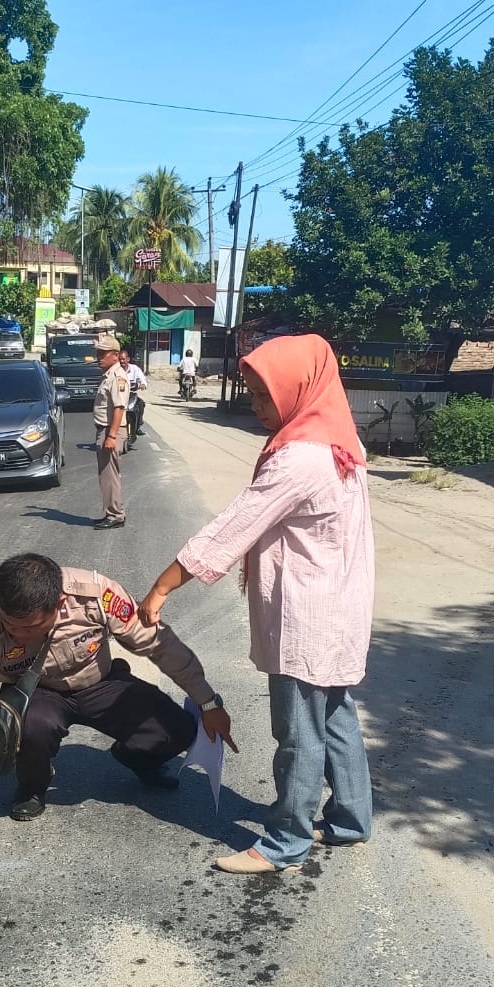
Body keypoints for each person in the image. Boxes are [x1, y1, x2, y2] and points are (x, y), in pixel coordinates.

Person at [139, 333, 375, 875]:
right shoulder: (343, 442)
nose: (256, 404)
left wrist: (162, 587)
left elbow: (230, 531)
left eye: (265, 394)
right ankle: (350, 820)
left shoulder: (299, 459)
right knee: (334, 716)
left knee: (298, 733)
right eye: (253, 392)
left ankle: (287, 842)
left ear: (299, 388)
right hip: (338, 611)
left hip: (306, 619)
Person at [0, 553, 234, 841]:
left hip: (99, 683)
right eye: (9, 623)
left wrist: (207, 703)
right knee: (33, 726)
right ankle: (32, 786)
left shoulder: (94, 595)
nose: (16, 634)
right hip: (37, 694)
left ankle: (138, 759)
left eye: (28, 627)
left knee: (178, 729)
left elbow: (159, 644)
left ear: (60, 603)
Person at [92, 332, 130, 530]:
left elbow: (119, 408)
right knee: (107, 475)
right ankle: (112, 512)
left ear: (115, 355)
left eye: (103, 354)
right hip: (105, 430)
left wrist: (112, 436)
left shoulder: (117, 377)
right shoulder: (109, 375)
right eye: (98, 353)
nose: (99, 358)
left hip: (110, 430)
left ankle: (115, 515)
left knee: (110, 475)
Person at [120, 348, 148, 449]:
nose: (122, 361)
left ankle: (138, 425)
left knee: (141, 404)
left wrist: (142, 385)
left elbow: (143, 381)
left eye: (123, 359)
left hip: (132, 398)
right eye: (120, 359)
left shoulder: (135, 369)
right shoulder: (116, 370)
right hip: (119, 399)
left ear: (128, 359)